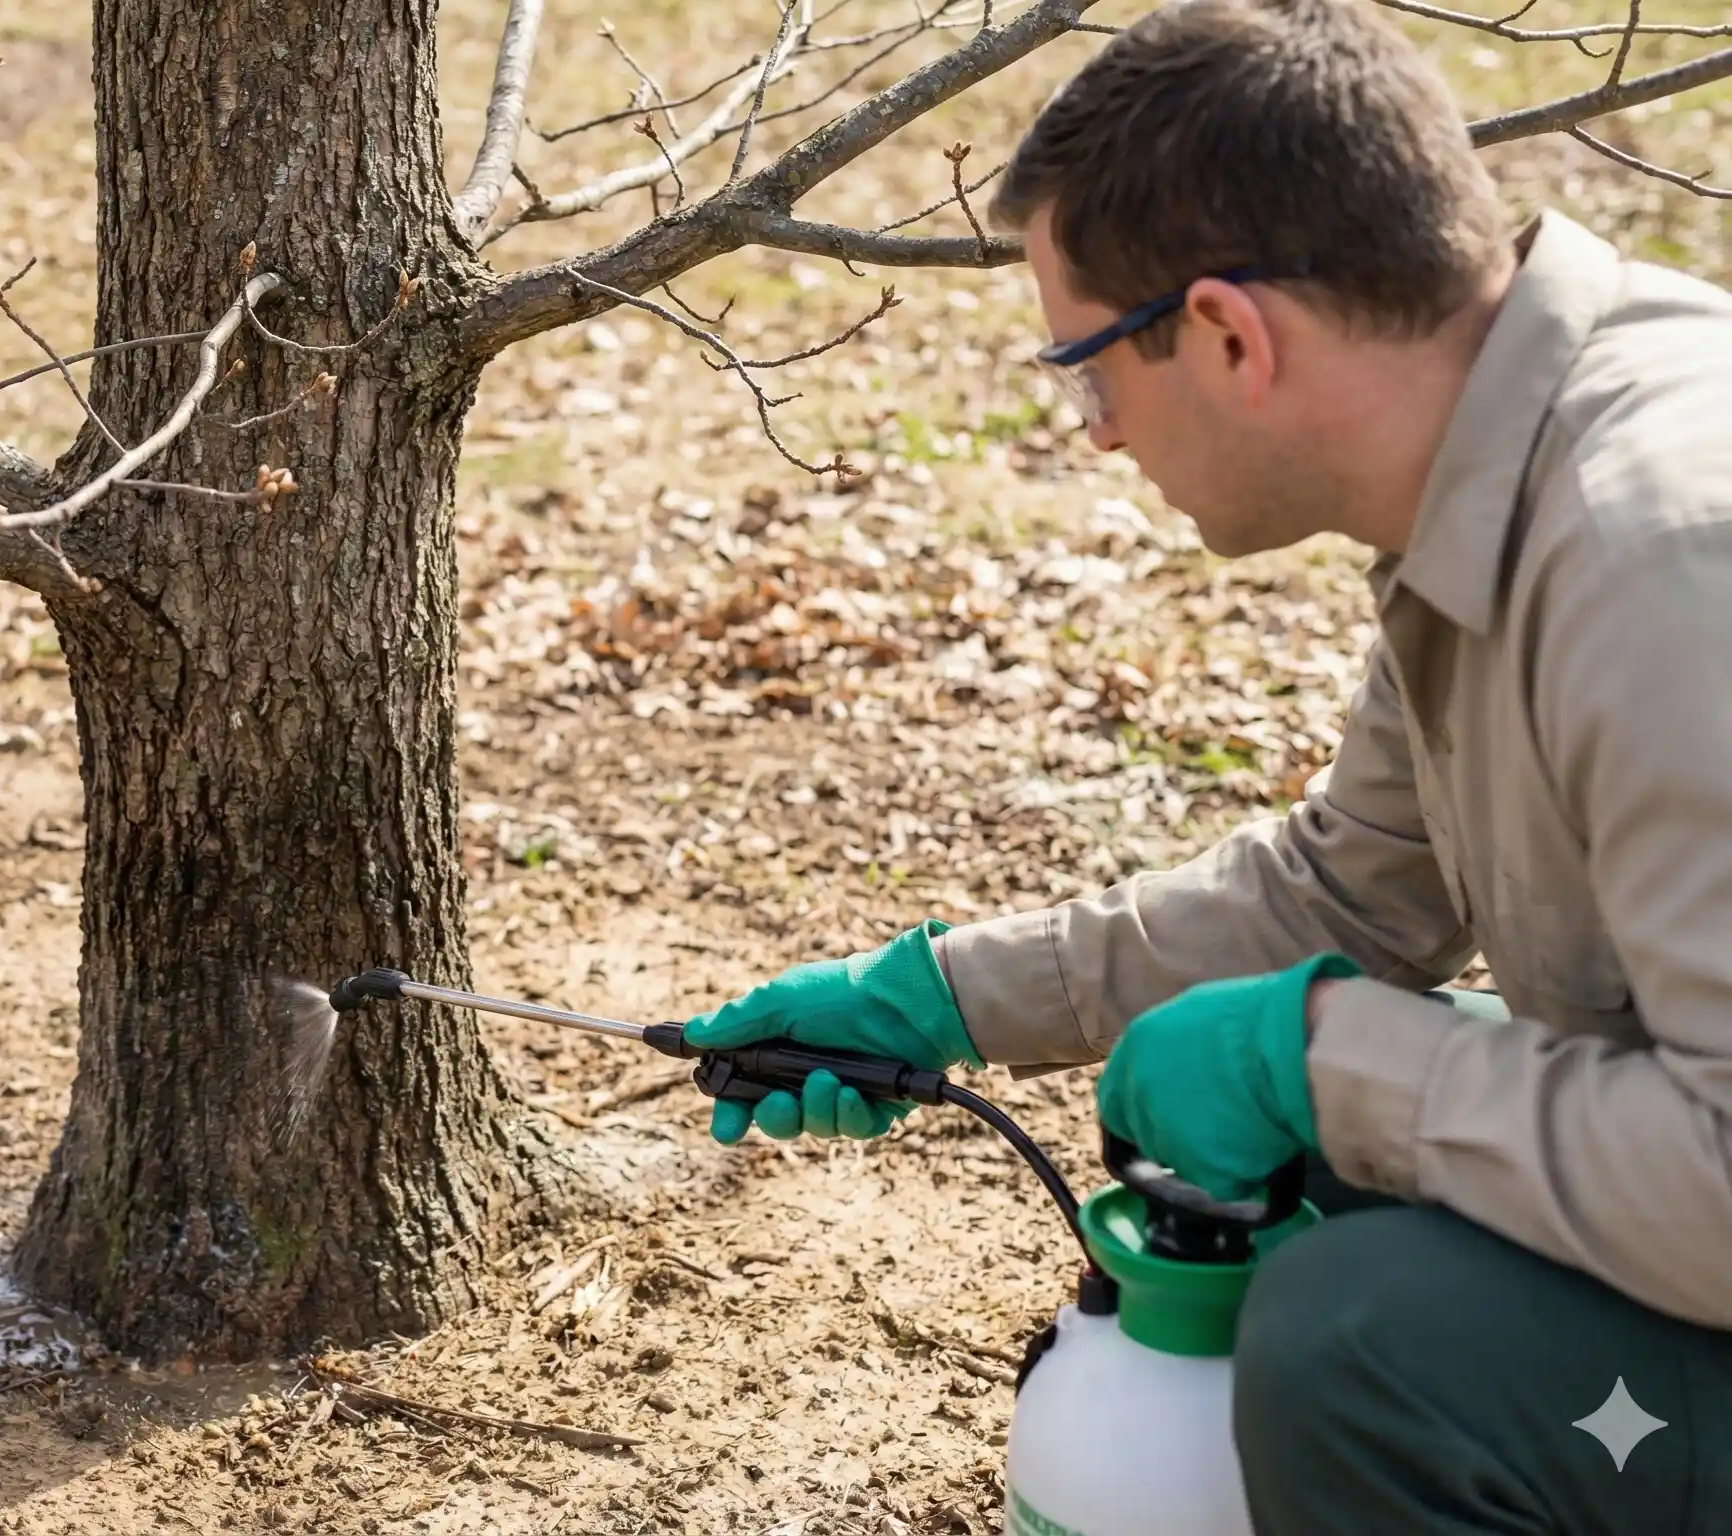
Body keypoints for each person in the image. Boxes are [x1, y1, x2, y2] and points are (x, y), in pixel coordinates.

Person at [686, 0, 1732, 1528]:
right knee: (1347, 1195)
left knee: (1368, 1346)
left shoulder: (1659, 558)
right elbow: (1354, 893)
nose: (1096, 432)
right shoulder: (1507, 466)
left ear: (1233, 334)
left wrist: (1322, 1063)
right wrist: (942, 998)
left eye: (1091, 371)